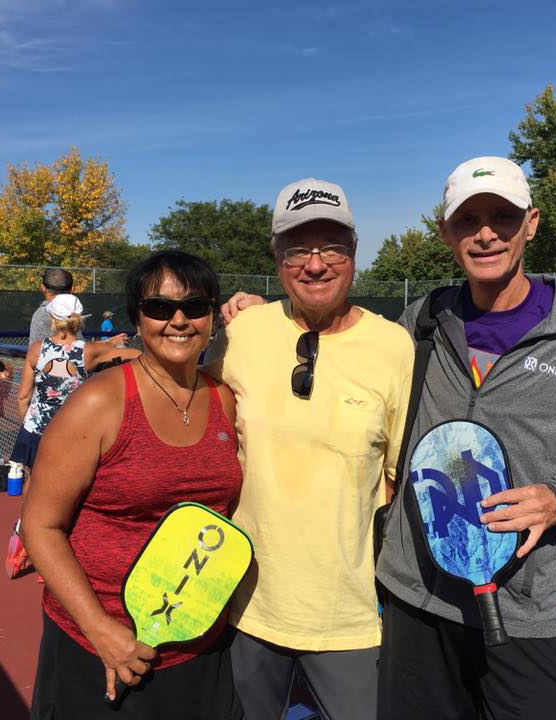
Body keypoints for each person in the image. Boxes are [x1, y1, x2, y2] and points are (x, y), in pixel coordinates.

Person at [371, 157, 556, 720]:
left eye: (503, 215)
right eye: (467, 219)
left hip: (523, 606)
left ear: (532, 223)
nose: (486, 232)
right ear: (445, 231)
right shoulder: (420, 321)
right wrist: (265, 316)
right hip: (416, 596)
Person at [210, 178, 414, 720]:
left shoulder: (394, 346)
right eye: (298, 248)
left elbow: (396, 480)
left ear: (353, 252)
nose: (316, 264)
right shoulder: (246, 329)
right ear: (277, 257)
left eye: (331, 247)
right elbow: (177, 392)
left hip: (350, 618)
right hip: (246, 607)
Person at [21, 251, 243, 718]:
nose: (178, 320)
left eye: (195, 307)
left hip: (202, 646)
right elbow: (40, 526)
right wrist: (101, 630)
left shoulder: (224, 397)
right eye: (159, 308)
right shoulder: (99, 403)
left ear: (212, 317)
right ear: (137, 320)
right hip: (103, 649)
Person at [6, 293, 137, 579]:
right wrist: (115, 346)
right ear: (79, 319)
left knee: (32, 484)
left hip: (36, 429)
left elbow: (23, 394)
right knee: (70, 491)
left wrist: (28, 424)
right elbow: (138, 356)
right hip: (71, 432)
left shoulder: (37, 349)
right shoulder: (88, 352)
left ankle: (25, 538)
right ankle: (53, 554)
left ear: (52, 319)